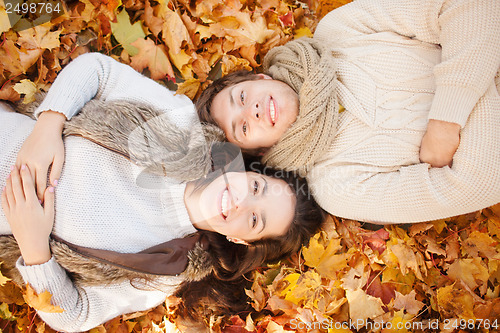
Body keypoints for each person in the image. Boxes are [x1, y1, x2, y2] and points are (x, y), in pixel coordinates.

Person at [0, 53, 326, 332]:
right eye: (256, 188)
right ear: (245, 171)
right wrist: (48, 126)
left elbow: (75, 315)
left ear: (242, 240)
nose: (243, 203)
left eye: (256, 219)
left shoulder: (164, 270)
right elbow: (98, 70)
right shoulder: (179, 121)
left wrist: (34, 249)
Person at [196, 0, 500, 224]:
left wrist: (446, 121)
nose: (254, 111)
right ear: (261, 152)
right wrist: (476, 58)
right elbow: (482, 183)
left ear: (260, 78)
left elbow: (469, 6)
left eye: (243, 96)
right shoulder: (337, 188)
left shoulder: (339, 33)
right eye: (244, 128)